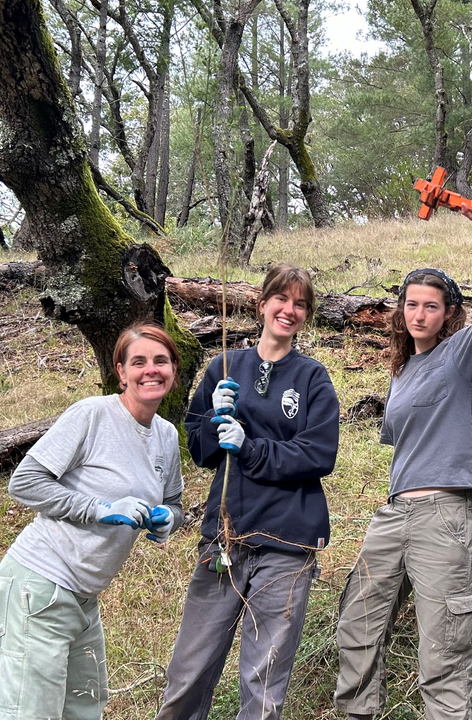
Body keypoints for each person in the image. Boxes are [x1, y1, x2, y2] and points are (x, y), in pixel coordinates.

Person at [333, 195, 472, 720]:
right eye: (411, 304)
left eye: (431, 305)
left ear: (449, 314)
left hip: (445, 513)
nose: (420, 313)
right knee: (358, 624)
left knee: (443, 644)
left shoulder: (461, 354)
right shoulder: (400, 375)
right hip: (395, 513)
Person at [155, 264, 340, 720]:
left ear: (307, 314)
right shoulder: (224, 365)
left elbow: (319, 454)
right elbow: (200, 450)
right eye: (281, 299)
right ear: (262, 305)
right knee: (188, 671)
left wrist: (251, 447)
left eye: (300, 304)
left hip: (287, 545)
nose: (289, 310)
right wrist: (212, 421)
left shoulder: (312, 378)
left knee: (262, 684)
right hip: (224, 537)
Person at [0, 323, 185, 720]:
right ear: (120, 371)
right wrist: (97, 508)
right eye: (139, 361)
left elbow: (174, 502)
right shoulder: (93, 414)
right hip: (39, 585)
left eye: (161, 361)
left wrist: (169, 519)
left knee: (84, 708)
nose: (151, 370)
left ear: (174, 369)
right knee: (30, 712)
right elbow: (24, 483)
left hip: (84, 597)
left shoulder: (165, 434)